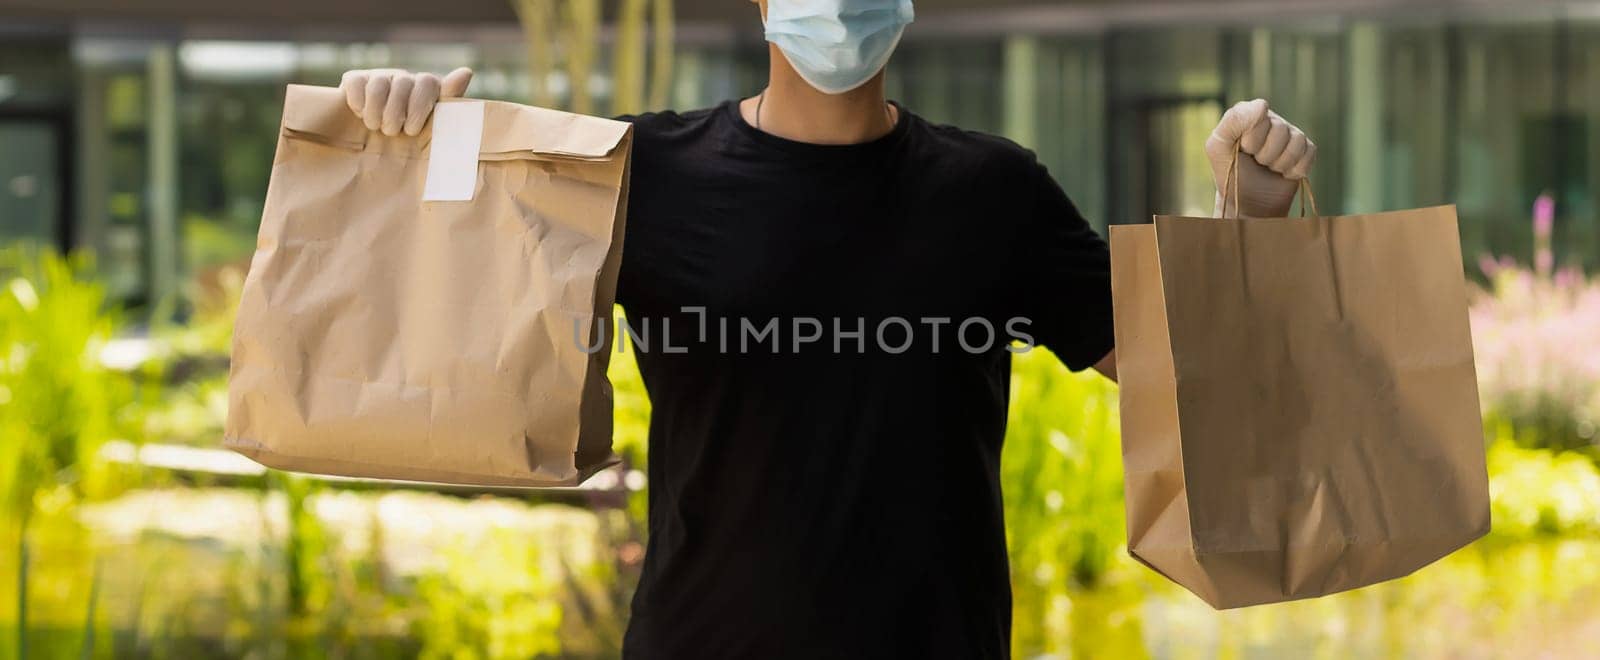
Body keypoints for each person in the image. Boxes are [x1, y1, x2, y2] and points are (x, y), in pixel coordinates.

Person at [338, 1, 1316, 657]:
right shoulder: (644, 171)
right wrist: (405, 152)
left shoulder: (992, 191)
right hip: (702, 640)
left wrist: (1253, 222)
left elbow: (1182, 369)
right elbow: (451, 329)